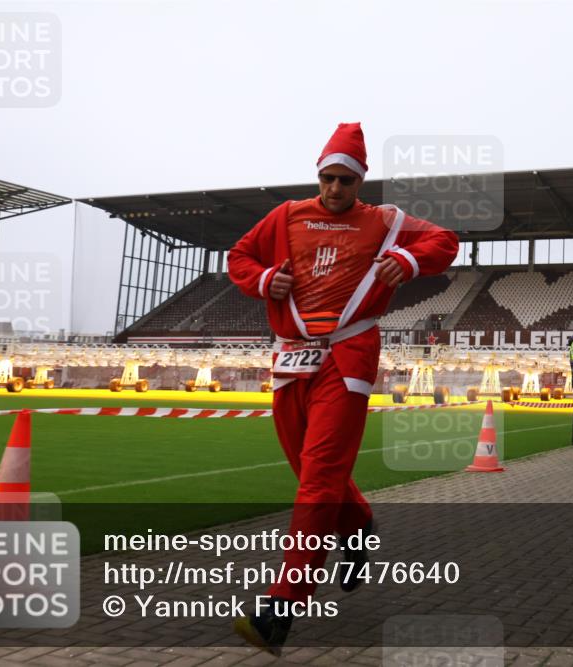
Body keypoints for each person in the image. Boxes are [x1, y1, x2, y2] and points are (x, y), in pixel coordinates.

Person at [227, 122, 458, 655]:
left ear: (360, 182)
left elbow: (445, 241)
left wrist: (407, 259)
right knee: (307, 467)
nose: (334, 189)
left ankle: (281, 608)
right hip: (292, 357)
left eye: (345, 180)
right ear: (318, 176)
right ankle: (356, 522)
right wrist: (263, 280)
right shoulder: (285, 215)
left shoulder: (384, 220)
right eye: (327, 178)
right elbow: (239, 257)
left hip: (347, 357)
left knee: (319, 477)